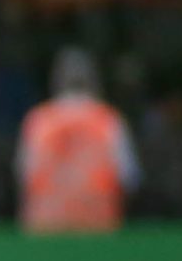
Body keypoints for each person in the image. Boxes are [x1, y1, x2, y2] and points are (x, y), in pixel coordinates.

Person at [18, 47, 139, 234]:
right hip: (99, 233)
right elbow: (129, 180)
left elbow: (23, 179)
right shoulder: (109, 120)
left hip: (46, 234)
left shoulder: (38, 121)